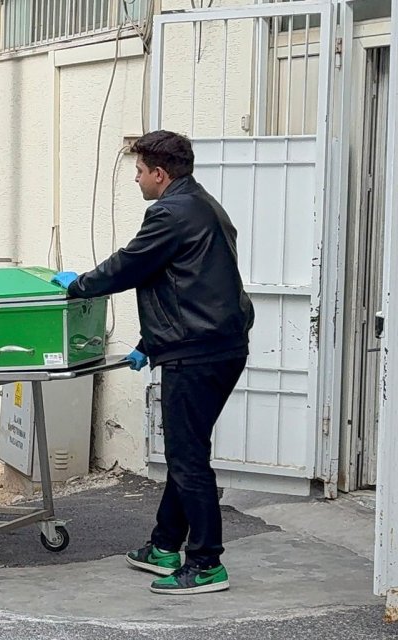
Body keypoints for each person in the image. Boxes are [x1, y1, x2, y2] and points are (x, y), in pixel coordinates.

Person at [52, 130, 254, 596]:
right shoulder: (203, 204)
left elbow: (130, 266)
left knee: (188, 458)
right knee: (187, 449)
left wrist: (77, 285)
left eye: (140, 172)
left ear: (160, 174)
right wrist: (150, 339)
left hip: (196, 352)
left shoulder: (168, 212)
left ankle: (205, 563)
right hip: (218, 343)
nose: (137, 180)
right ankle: (165, 545)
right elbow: (190, 282)